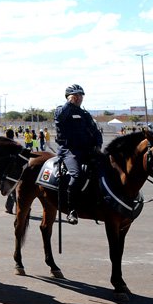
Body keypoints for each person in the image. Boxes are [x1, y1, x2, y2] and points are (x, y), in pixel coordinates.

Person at [54, 84, 102, 224]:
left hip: (87, 150)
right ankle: (72, 210)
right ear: (69, 97)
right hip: (69, 150)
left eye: (81, 95)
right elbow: (61, 117)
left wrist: (98, 145)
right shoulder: (61, 111)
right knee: (77, 175)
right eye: (76, 95)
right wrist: (69, 103)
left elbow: (95, 131)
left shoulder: (84, 114)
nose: (79, 98)